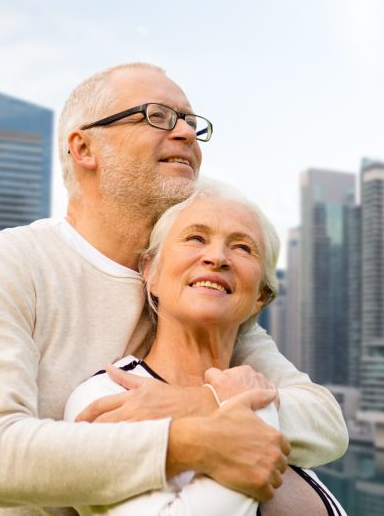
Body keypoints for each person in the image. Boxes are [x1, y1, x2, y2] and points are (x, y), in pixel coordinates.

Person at [0, 62, 348, 515]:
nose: (186, 132)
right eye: (157, 116)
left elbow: (323, 421)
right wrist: (191, 441)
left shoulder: (192, 294)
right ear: (84, 147)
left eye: (190, 121)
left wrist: (199, 403)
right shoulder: (5, 265)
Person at [64, 179, 346, 516]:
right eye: (195, 238)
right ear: (150, 271)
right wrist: (249, 411)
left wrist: (219, 403)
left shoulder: (259, 389)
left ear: (260, 296)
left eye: (242, 247)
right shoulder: (108, 395)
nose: (216, 257)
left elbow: (330, 428)